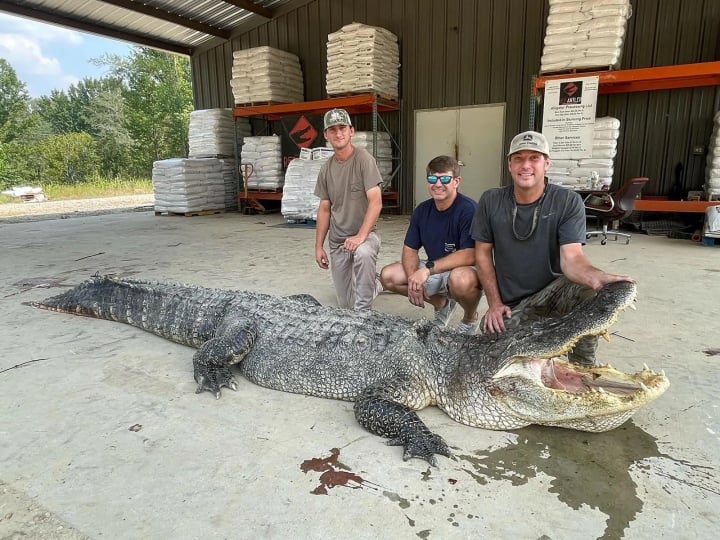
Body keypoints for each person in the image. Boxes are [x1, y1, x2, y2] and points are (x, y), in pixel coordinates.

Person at [470, 130, 632, 365]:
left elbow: (572, 258)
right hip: (516, 303)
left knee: (588, 294)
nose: (526, 165)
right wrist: (494, 303)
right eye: (519, 158)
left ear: (547, 163)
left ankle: (582, 368)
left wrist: (597, 278)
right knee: (492, 346)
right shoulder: (491, 200)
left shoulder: (567, 201)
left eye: (534, 158)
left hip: (556, 292)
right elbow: (482, 255)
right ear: (509, 164)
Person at [379, 155, 482, 334]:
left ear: (456, 181)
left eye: (445, 179)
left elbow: (470, 254)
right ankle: (441, 303)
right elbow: (410, 249)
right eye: (433, 178)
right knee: (388, 276)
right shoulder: (422, 210)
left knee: (460, 280)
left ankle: (470, 317)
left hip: (463, 270)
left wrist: (427, 270)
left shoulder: (469, 209)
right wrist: (413, 279)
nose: (438, 184)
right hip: (433, 268)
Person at [314, 108, 384, 310]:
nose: (338, 133)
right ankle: (375, 283)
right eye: (332, 129)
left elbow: (376, 202)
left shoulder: (364, 161)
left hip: (365, 236)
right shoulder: (326, 169)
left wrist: (361, 236)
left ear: (351, 131)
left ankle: (364, 315)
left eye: (342, 128)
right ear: (326, 135)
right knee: (345, 304)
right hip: (338, 242)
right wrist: (318, 246)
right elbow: (324, 209)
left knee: (362, 254)